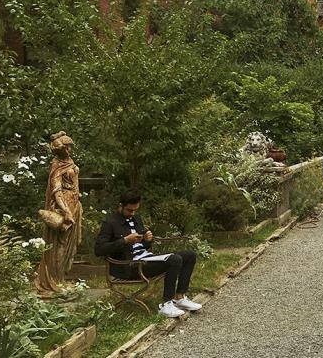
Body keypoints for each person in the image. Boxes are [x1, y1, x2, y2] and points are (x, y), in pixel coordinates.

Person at [95, 190, 202, 318]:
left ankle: (179, 297)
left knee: (190, 255)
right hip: (129, 266)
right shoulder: (110, 223)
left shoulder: (136, 219)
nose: (132, 213)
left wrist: (147, 239)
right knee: (175, 259)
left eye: (135, 210)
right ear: (121, 206)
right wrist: (124, 240)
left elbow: (143, 246)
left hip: (146, 259)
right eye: (129, 210)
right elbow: (99, 249)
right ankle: (166, 304)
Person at [35, 131, 83, 295]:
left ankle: (61, 278)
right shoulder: (57, 165)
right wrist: (66, 210)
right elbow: (56, 191)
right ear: (59, 149)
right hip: (64, 207)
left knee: (68, 244)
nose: (69, 150)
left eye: (70, 147)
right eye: (66, 147)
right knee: (59, 245)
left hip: (74, 204)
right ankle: (54, 280)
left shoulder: (69, 161)